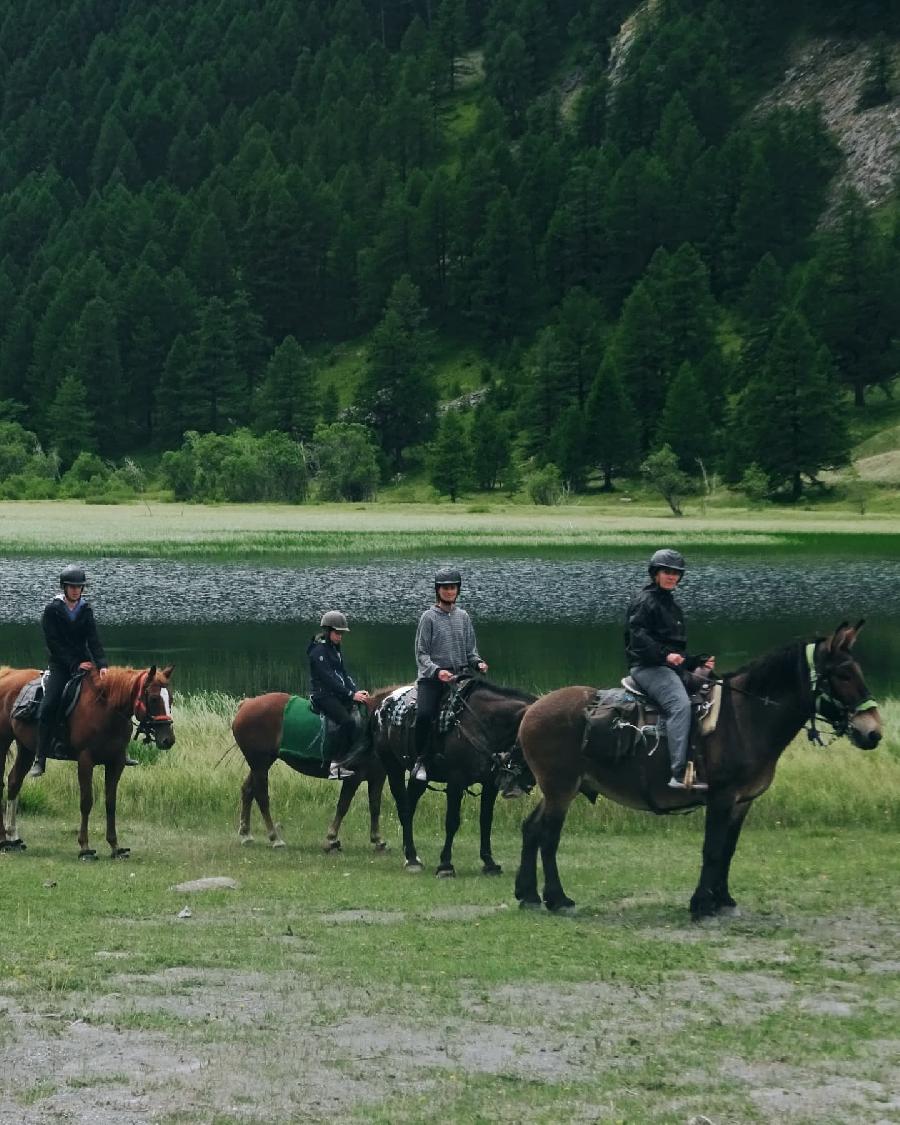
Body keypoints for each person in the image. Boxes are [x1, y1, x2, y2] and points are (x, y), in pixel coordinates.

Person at [624, 549, 715, 790]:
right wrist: (666, 655)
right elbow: (638, 637)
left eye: (676, 573)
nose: (672, 577)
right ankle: (678, 773)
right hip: (647, 667)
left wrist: (696, 662)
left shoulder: (671, 604)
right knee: (680, 705)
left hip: (666, 666)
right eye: (667, 572)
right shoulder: (645, 601)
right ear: (655, 573)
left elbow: (674, 648)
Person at [29, 565, 119, 778]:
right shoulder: (52, 610)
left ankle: (117, 751)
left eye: (79, 587)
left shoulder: (86, 609)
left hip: (86, 663)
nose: (76, 590)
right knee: (49, 704)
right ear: (64, 587)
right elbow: (54, 643)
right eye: (72, 587)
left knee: (112, 699)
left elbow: (93, 639)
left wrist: (103, 664)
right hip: (61, 665)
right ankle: (40, 758)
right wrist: (73, 665)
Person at [412, 567, 488, 782]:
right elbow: (421, 654)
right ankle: (421, 760)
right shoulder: (428, 617)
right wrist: (437, 671)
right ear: (438, 591)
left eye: (452, 587)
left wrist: (478, 662)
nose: (449, 591)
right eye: (445, 588)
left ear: (458, 590)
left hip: (462, 677)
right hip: (433, 678)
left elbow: (471, 651)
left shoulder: (463, 617)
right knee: (425, 714)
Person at [307, 610, 369, 780]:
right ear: (327, 631)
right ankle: (336, 764)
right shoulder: (318, 652)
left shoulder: (335, 649)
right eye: (337, 633)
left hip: (334, 694)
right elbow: (329, 679)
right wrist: (350, 695)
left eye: (342, 633)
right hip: (322, 695)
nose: (340, 636)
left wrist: (356, 691)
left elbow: (343, 674)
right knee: (347, 721)